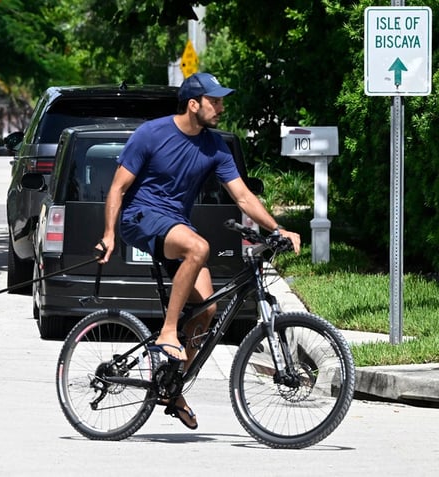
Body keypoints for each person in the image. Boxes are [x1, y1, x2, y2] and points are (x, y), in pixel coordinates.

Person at [97, 73, 301, 429]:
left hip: (175, 222)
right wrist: (110, 234)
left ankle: (171, 389)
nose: (221, 108)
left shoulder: (215, 147)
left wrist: (277, 228)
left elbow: (242, 196)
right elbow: (117, 188)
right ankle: (167, 332)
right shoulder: (151, 134)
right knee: (198, 247)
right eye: (215, 102)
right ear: (194, 104)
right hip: (140, 217)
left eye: (222, 101)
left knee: (208, 310)